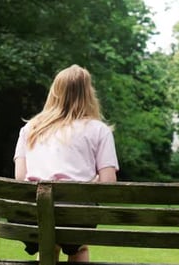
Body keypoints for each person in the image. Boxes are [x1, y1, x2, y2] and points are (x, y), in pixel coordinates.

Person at [13, 64, 119, 262]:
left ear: (55, 92)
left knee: (48, 244)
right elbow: (108, 184)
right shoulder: (98, 130)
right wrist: (93, 180)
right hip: (75, 217)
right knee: (79, 247)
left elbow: (20, 177)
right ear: (89, 94)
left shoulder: (30, 128)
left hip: (30, 216)